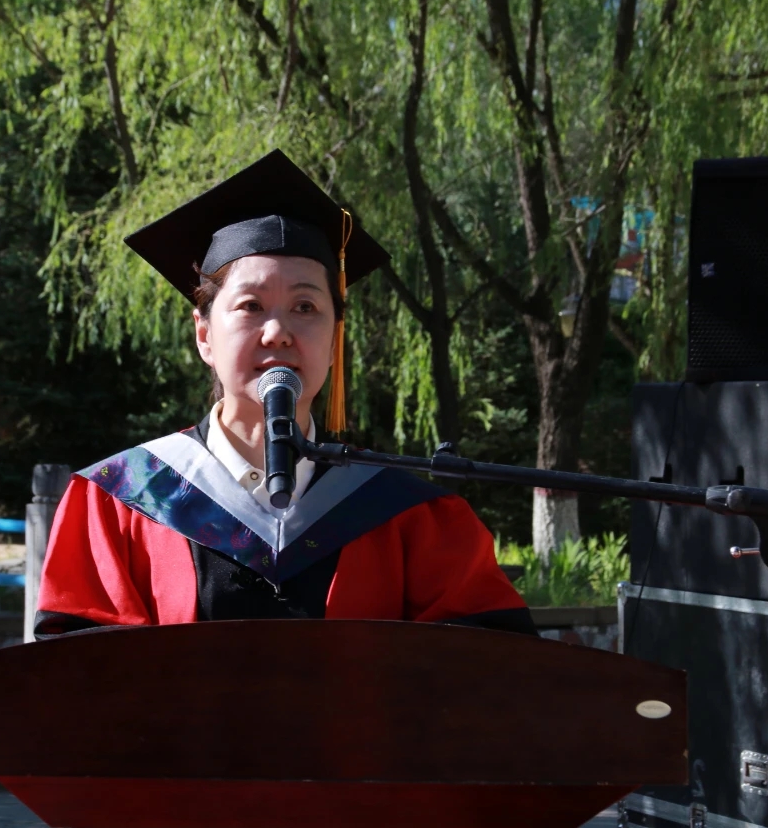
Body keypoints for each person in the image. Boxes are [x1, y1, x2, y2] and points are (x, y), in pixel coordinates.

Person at [34, 150, 535, 637]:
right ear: (204, 334)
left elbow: (485, 670)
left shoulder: (406, 513)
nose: (278, 332)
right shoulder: (124, 499)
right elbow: (81, 676)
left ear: (335, 339)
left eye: (305, 307)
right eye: (251, 306)